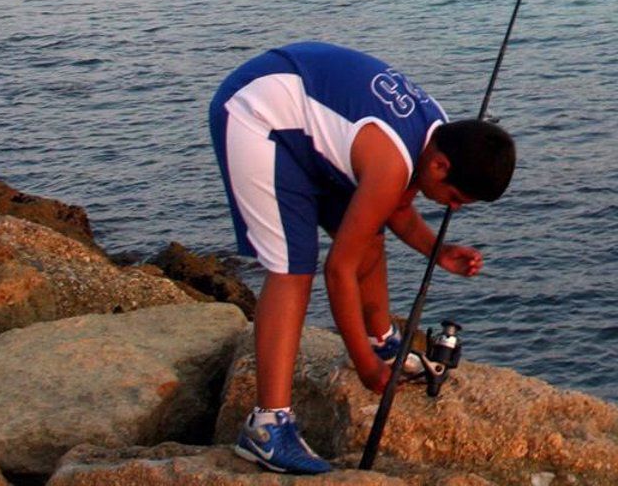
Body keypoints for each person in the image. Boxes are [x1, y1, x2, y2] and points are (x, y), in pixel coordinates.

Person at [209, 41, 515, 474]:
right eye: (456, 198)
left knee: (369, 234)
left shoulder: (439, 134)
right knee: (294, 268)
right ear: (441, 168)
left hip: (304, 121)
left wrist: (438, 251)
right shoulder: (392, 163)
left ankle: (382, 339)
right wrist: (365, 367)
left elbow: (395, 210)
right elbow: (340, 271)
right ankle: (266, 428)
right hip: (257, 115)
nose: (454, 208)